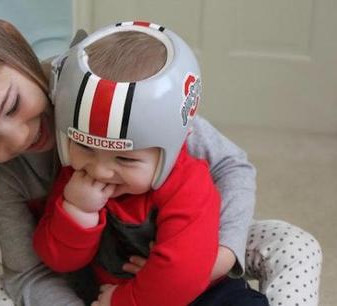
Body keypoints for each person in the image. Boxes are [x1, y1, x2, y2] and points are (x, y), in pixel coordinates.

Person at [0, 2, 321, 306]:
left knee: (295, 247)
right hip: (93, 279)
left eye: (12, 106)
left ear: (12, 42)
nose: (18, 137)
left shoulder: (102, 91)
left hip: (186, 242)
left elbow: (230, 165)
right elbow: (32, 273)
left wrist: (217, 258)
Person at [33, 22, 269, 306]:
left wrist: (123, 300)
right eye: (84, 146)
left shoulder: (188, 185)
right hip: (110, 291)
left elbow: (181, 274)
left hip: (200, 293)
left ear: (173, 146)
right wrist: (77, 210)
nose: (99, 170)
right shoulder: (77, 179)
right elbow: (58, 260)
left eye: (125, 158)